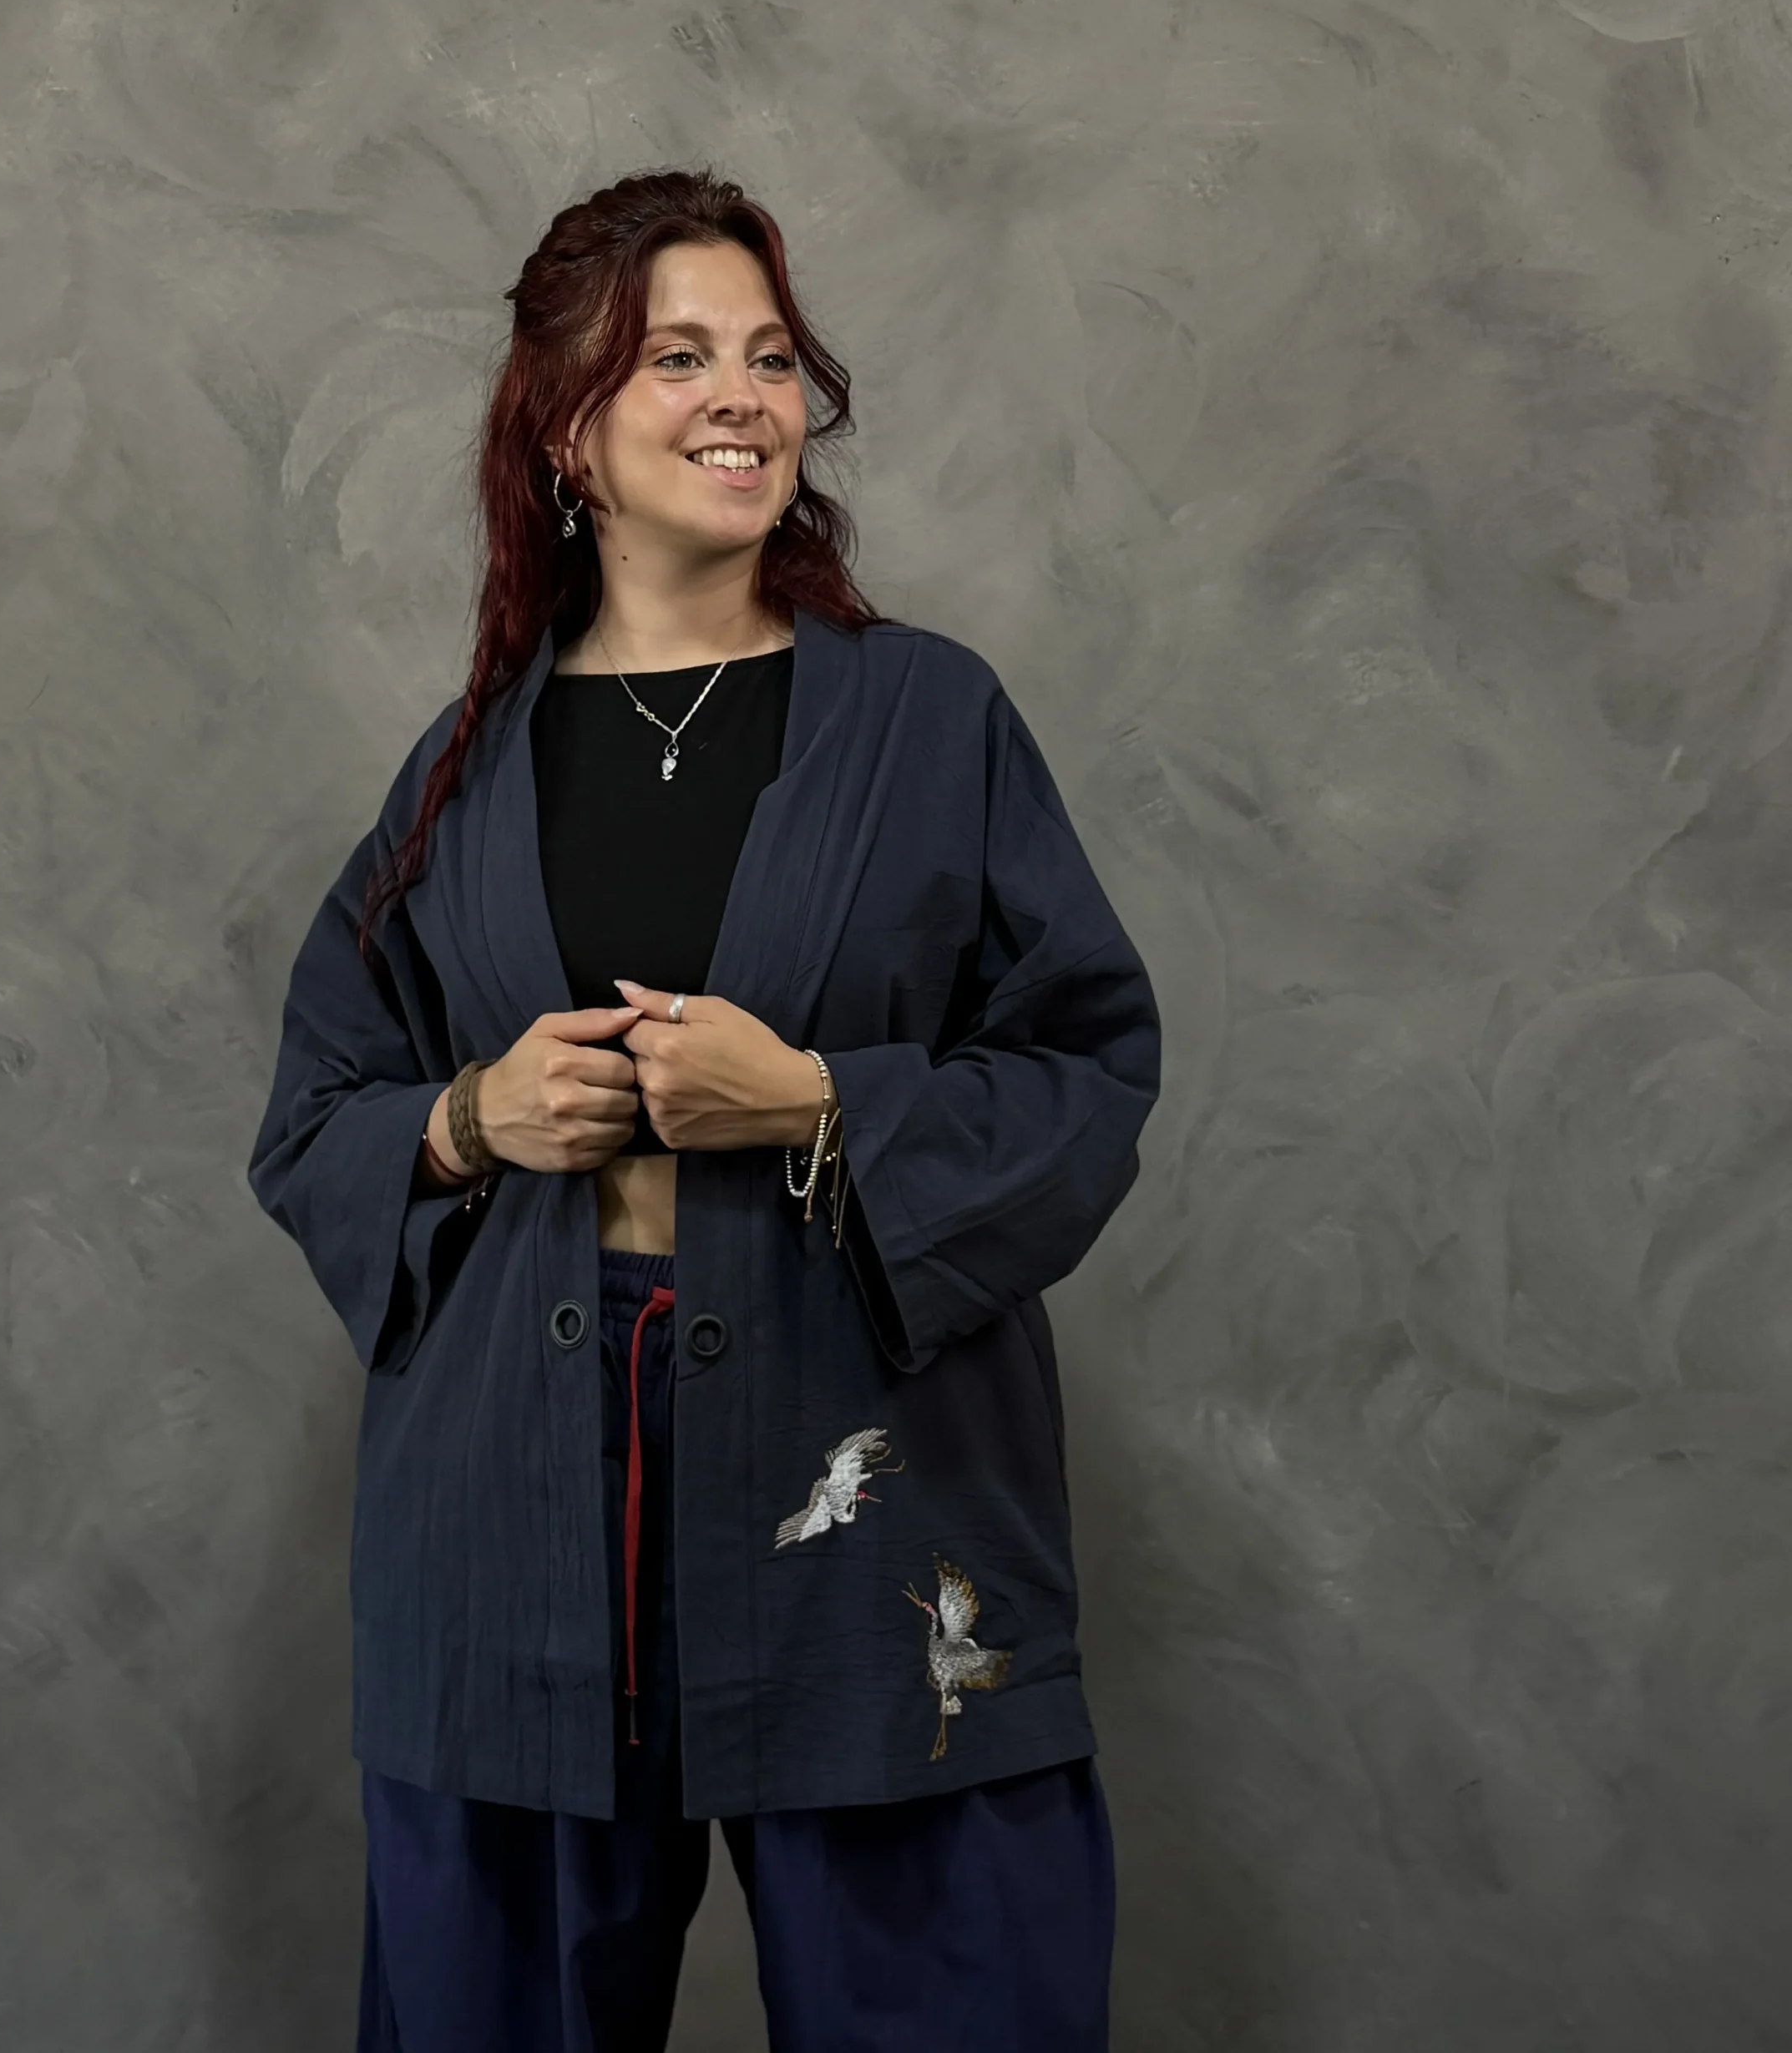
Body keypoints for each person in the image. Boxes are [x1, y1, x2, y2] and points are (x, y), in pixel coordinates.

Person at [247, 167, 1162, 2053]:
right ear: (564, 428)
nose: (742, 395)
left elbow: (1085, 1066)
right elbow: (318, 1109)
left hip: (869, 1479)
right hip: (510, 1499)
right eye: (677, 357)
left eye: (768, 355)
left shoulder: (928, 721)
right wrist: (472, 1117)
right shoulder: (463, 767)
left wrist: (813, 1100)